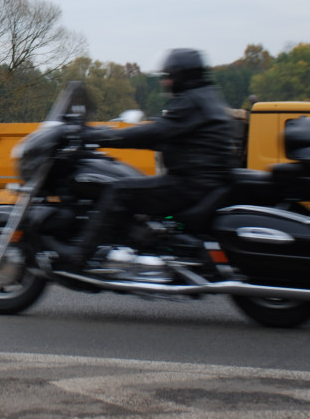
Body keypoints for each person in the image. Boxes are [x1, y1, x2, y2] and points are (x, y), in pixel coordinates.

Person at [74, 48, 239, 263]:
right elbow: (162, 138)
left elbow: (156, 132)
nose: (165, 82)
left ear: (182, 75)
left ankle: (80, 256)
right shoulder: (206, 96)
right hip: (203, 181)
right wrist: (109, 135)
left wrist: (99, 135)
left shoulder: (192, 101)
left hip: (190, 184)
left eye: (169, 76)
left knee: (119, 190)